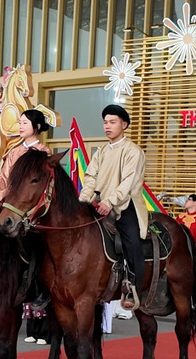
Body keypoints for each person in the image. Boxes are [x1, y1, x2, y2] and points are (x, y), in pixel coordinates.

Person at [79, 104, 147, 310]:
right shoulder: (100, 152)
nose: (107, 126)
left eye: (112, 122)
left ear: (124, 125)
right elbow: (90, 179)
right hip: (98, 203)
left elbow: (127, 182)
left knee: (132, 241)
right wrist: (81, 202)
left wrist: (109, 202)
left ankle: (133, 285)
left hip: (124, 205)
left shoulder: (133, 151)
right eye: (105, 122)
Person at [0, 109, 54, 311]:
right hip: (10, 206)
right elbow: (3, 178)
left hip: (30, 210)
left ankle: (38, 286)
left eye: (25, 123)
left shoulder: (43, 153)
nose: (20, 126)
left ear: (36, 127)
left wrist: (11, 195)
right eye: (19, 123)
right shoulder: (14, 151)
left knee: (34, 242)